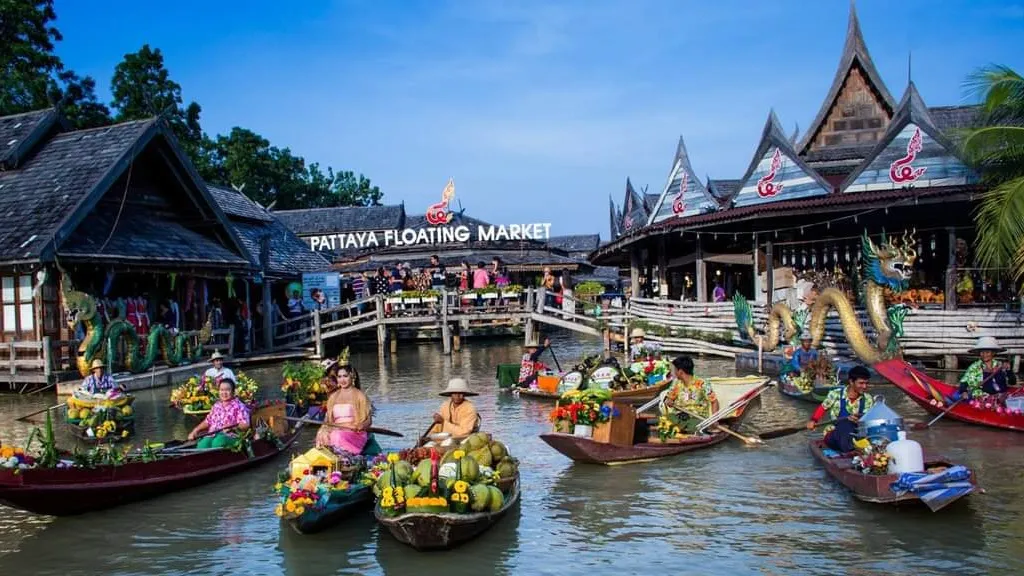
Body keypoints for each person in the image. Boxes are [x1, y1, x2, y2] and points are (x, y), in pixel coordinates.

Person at [805, 365, 874, 453]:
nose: (864, 386)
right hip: (834, 435)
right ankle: (849, 451)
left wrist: (859, 420)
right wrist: (813, 421)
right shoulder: (835, 394)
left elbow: (867, 420)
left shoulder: (868, 399)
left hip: (856, 435)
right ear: (851, 382)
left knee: (851, 428)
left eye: (866, 383)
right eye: (861, 383)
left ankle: (853, 450)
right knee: (845, 425)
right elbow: (822, 408)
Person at [315, 364, 372, 454]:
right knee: (321, 434)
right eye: (339, 377)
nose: (342, 380)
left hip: (354, 431)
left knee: (337, 435)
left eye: (345, 376)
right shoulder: (333, 397)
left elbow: (368, 420)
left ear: (352, 377)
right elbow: (328, 419)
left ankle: (343, 458)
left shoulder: (360, 396)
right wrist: (324, 427)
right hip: (336, 428)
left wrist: (362, 425)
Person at [659, 356, 718, 434]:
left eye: (674, 370)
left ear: (680, 372)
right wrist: (668, 401)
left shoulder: (702, 383)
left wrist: (714, 420)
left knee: (691, 428)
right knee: (663, 421)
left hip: (697, 417)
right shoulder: (676, 383)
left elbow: (714, 402)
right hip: (679, 416)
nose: (672, 373)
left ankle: (684, 432)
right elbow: (669, 399)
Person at [188, 378, 250, 449]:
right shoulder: (216, 405)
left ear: (233, 392)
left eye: (227, 390)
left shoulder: (239, 406)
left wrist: (232, 427)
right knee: (202, 444)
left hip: (231, 436)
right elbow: (208, 421)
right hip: (213, 435)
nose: (224, 393)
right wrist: (195, 430)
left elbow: (246, 424)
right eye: (222, 390)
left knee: (218, 442)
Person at [954, 336, 1017, 400]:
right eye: (982, 352)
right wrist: (964, 391)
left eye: (987, 352)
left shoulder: (1000, 366)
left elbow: (1013, 382)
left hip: (1003, 398)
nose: (984, 355)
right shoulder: (974, 367)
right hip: (983, 399)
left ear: (993, 353)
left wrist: (1009, 370)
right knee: (956, 396)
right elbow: (964, 382)